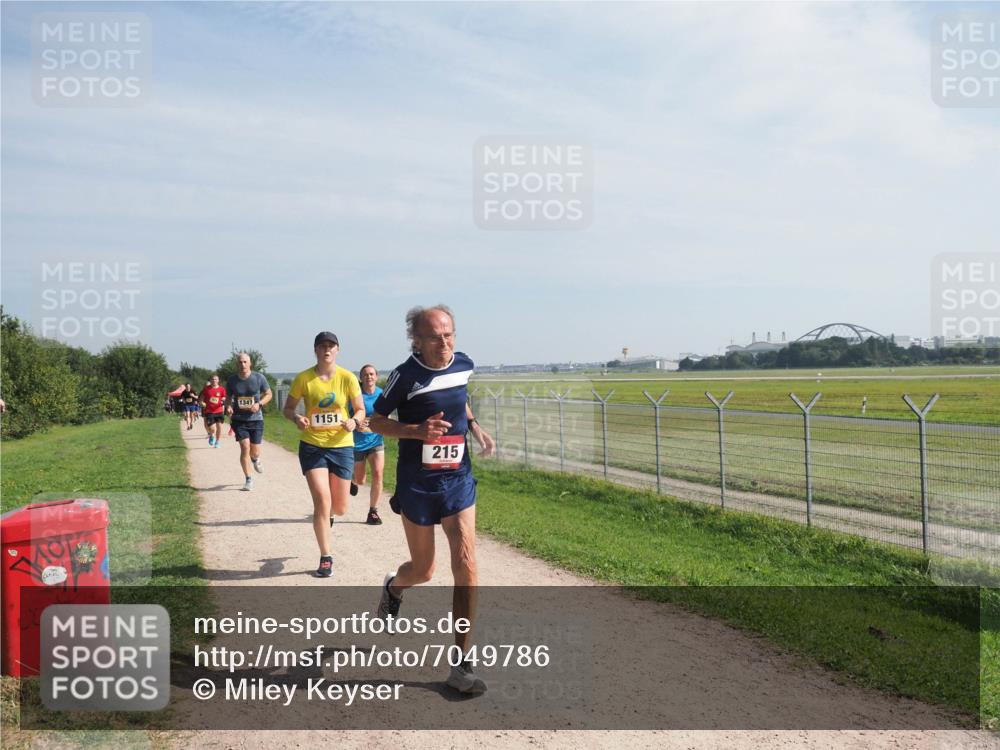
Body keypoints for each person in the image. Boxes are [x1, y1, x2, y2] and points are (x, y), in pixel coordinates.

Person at [369, 305, 495, 694]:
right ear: (417, 341)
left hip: (457, 479)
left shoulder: (464, 363)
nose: (445, 342)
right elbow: (376, 420)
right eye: (436, 337)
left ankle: (461, 666)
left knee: (467, 564)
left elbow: (459, 396)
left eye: (450, 334)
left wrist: (473, 426)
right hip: (417, 483)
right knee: (424, 570)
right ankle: (394, 588)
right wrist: (416, 430)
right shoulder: (405, 376)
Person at [282, 332, 364, 578]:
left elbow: (359, 409)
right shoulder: (304, 379)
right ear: (315, 350)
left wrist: (353, 420)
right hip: (313, 445)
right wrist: (296, 417)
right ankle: (326, 556)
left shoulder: (348, 378)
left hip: (341, 446)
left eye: (331, 346)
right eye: (322, 346)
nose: (327, 350)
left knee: (339, 508)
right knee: (321, 500)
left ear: (337, 350)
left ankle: (332, 508)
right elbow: (287, 408)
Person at [225, 353, 272, 491]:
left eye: (245, 362)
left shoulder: (259, 377)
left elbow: (269, 394)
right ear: (236, 364)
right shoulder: (232, 380)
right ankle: (248, 479)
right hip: (239, 419)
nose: (243, 365)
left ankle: (255, 459)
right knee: (245, 446)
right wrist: (228, 406)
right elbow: (228, 397)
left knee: (255, 451)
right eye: (240, 362)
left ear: (250, 363)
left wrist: (259, 404)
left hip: (256, 419)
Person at [350, 364, 385, 526]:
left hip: (376, 441)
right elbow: (349, 415)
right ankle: (353, 480)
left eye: (371, 374)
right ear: (361, 378)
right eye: (365, 375)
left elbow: (387, 415)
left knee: (378, 473)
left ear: (376, 377)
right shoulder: (356, 395)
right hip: (357, 443)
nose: (369, 377)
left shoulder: (382, 395)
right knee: (361, 480)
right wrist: (356, 423)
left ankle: (373, 511)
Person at [199, 374, 227, 448]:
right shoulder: (206, 389)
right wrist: (202, 403)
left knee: (219, 427)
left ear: (218, 380)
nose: (214, 380)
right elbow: (201, 398)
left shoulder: (222, 389)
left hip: (219, 410)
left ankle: (217, 442)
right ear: (210, 380)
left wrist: (223, 400)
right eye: (212, 379)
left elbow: (224, 397)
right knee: (212, 428)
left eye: (215, 379)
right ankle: (211, 435)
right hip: (209, 411)